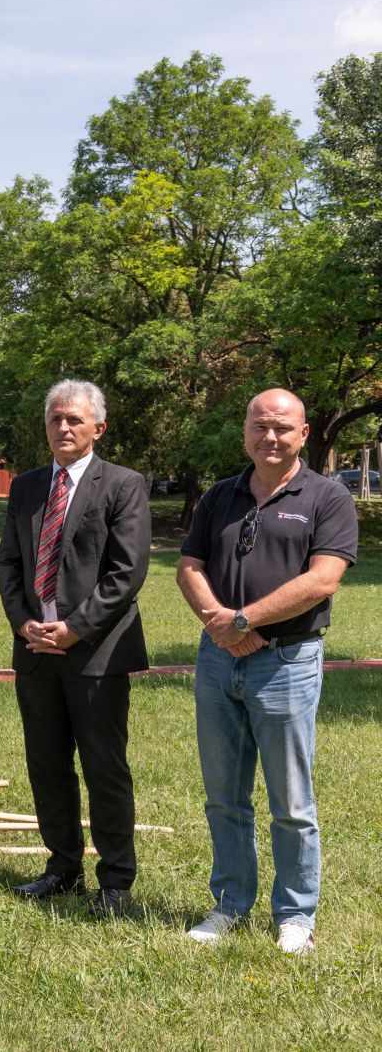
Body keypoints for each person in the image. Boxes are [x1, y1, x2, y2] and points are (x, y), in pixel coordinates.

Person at [176, 388, 358, 956]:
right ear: (246, 432)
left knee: (291, 800)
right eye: (260, 426)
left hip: (287, 662)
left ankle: (296, 914)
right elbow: (188, 565)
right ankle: (230, 903)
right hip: (217, 661)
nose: (270, 437)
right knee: (224, 795)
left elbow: (323, 579)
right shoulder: (219, 496)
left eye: (283, 427)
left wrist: (244, 619)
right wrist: (218, 624)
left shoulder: (328, 497)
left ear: (304, 434)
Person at [0, 379, 150, 918]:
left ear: (97, 428)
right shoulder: (26, 486)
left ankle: (115, 882)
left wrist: (75, 628)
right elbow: (8, 564)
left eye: (75, 420)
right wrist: (23, 624)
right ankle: (62, 867)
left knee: (104, 766)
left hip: (97, 653)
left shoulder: (124, 485)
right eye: (56, 419)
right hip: (36, 651)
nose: (64, 427)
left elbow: (126, 574)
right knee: (47, 764)